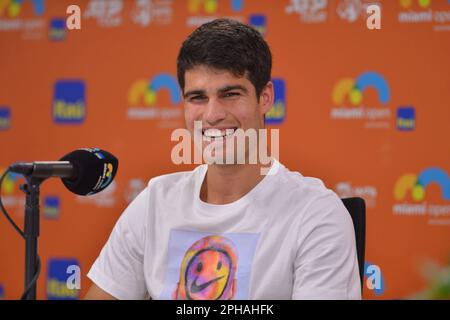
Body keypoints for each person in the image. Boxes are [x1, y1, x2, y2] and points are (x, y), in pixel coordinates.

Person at [85, 18, 361, 300]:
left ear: (265, 97)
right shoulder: (154, 202)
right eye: (197, 97)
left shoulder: (315, 214)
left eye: (230, 94)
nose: (212, 114)